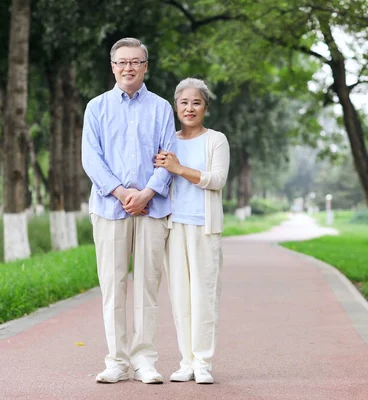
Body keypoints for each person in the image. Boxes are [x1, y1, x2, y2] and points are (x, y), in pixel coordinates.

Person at [81, 37, 176, 384]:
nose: (128, 68)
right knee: (113, 286)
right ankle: (117, 361)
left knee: (148, 287)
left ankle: (144, 360)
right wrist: (122, 192)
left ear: (145, 66)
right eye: (122, 62)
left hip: (153, 208)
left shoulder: (162, 108)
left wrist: (148, 192)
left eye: (136, 61)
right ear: (113, 66)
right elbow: (91, 158)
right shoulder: (97, 107)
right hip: (109, 207)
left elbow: (169, 156)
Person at [154, 78, 230, 384]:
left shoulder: (216, 140)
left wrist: (179, 169)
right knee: (180, 297)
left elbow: (217, 179)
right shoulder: (169, 141)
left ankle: (203, 362)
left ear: (206, 108)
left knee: (204, 295)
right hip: (174, 228)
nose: (189, 108)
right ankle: (186, 361)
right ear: (175, 106)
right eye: (183, 102)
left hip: (205, 228)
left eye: (196, 103)